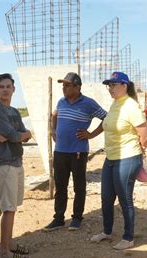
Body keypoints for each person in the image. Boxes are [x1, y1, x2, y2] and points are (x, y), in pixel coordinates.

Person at [90, 71, 147, 250]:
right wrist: (90, 134)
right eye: (109, 85)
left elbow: (145, 136)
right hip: (111, 158)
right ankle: (107, 232)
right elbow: (106, 123)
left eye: (114, 85)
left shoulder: (131, 106)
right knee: (106, 198)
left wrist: (139, 154)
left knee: (125, 199)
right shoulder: (115, 104)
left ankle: (128, 237)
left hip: (127, 158)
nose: (110, 88)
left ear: (125, 86)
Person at [43, 72, 107, 231]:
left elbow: (107, 118)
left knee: (79, 186)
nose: (64, 88)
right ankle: (58, 218)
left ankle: (77, 218)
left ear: (77, 87)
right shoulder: (61, 102)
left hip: (78, 152)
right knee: (60, 186)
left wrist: (91, 134)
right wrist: (53, 130)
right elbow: (54, 115)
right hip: (60, 152)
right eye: (63, 85)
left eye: (67, 85)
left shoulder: (88, 103)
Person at [0, 73, 32, 258]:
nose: (5, 89)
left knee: (13, 207)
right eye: (1, 87)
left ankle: (10, 243)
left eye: (8, 86)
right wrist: (14, 135)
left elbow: (26, 134)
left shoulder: (13, 111)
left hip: (16, 161)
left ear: (13, 89)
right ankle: (4, 252)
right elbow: (17, 135)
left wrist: (14, 136)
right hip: (5, 162)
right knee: (8, 208)